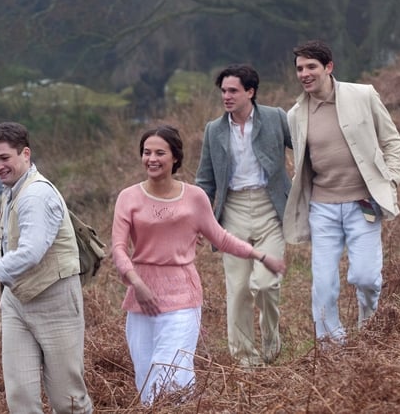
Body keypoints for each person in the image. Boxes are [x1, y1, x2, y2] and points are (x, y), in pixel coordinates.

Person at [111, 125, 286, 405]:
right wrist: (137, 282)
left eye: (159, 153)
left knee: (171, 374)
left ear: (175, 158)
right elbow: (118, 249)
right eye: (146, 153)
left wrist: (260, 256)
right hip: (140, 298)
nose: (151, 159)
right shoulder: (128, 197)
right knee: (145, 380)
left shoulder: (194, 197)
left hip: (182, 295)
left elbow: (221, 237)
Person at [0, 122, 93, 413]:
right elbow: (26, 237)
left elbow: (31, 253)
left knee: (68, 402)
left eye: (4, 158)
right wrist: (2, 229)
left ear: (25, 153)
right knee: (21, 401)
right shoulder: (12, 189)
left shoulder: (37, 194)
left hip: (56, 301)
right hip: (16, 303)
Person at [283, 40, 400, 345]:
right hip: (322, 208)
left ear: (328, 67)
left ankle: (369, 324)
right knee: (323, 285)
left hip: (363, 204)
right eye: (299, 68)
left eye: (311, 66)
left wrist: (391, 182)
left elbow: (392, 141)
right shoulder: (295, 115)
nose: (304, 74)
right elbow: (301, 163)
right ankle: (331, 348)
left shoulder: (363, 95)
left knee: (365, 278)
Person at [195, 64, 293, 367]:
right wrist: (198, 218)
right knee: (237, 289)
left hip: (270, 208)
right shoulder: (214, 130)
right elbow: (205, 179)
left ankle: (270, 336)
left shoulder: (276, 118)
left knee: (264, 284)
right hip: (233, 211)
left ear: (250, 92)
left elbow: (304, 149)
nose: (226, 96)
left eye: (233, 90)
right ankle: (246, 360)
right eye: (223, 91)